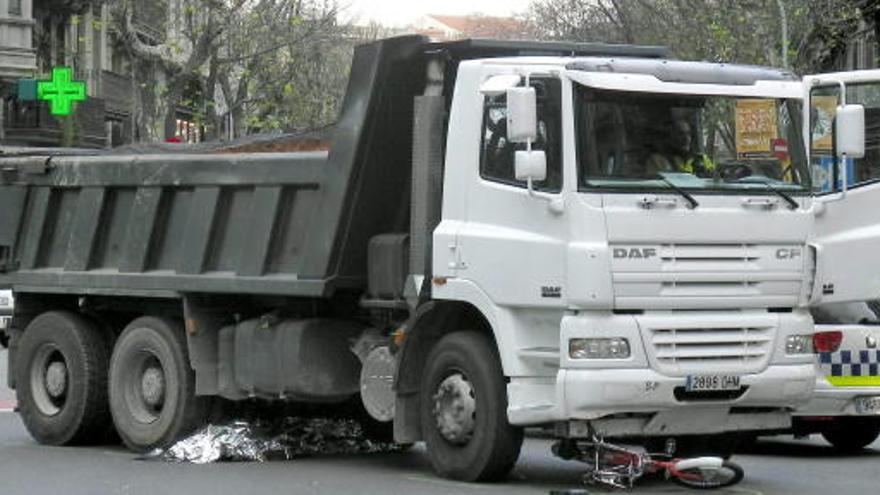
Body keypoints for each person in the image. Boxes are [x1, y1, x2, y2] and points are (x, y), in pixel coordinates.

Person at [646, 120, 715, 176]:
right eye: (680, 134)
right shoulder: (657, 160)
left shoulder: (701, 159)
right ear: (670, 137)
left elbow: (714, 178)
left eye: (688, 134)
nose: (686, 138)